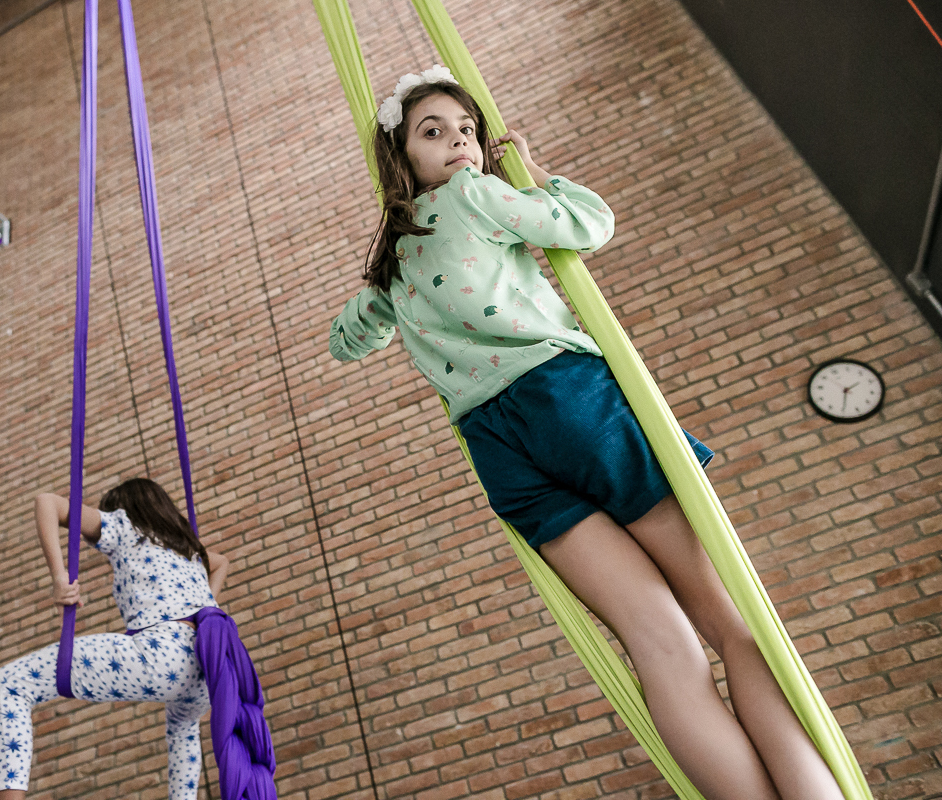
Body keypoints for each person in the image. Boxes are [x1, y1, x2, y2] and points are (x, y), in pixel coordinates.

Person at [328, 65, 844, 800]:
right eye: (433, 133)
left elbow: (345, 342)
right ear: (405, 157)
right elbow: (587, 225)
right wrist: (535, 174)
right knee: (731, 628)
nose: (459, 144)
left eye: (466, 131)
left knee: (659, 643)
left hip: (500, 451)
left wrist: (373, 297)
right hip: (566, 402)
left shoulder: (392, 269)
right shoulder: (477, 195)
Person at [0, 478, 230, 799]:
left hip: (161, 654)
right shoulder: (190, 552)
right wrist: (198, 614)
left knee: (9, 684)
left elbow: (47, 502)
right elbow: (223, 562)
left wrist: (60, 579)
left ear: (125, 508)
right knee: (183, 731)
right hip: (207, 669)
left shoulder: (125, 525)